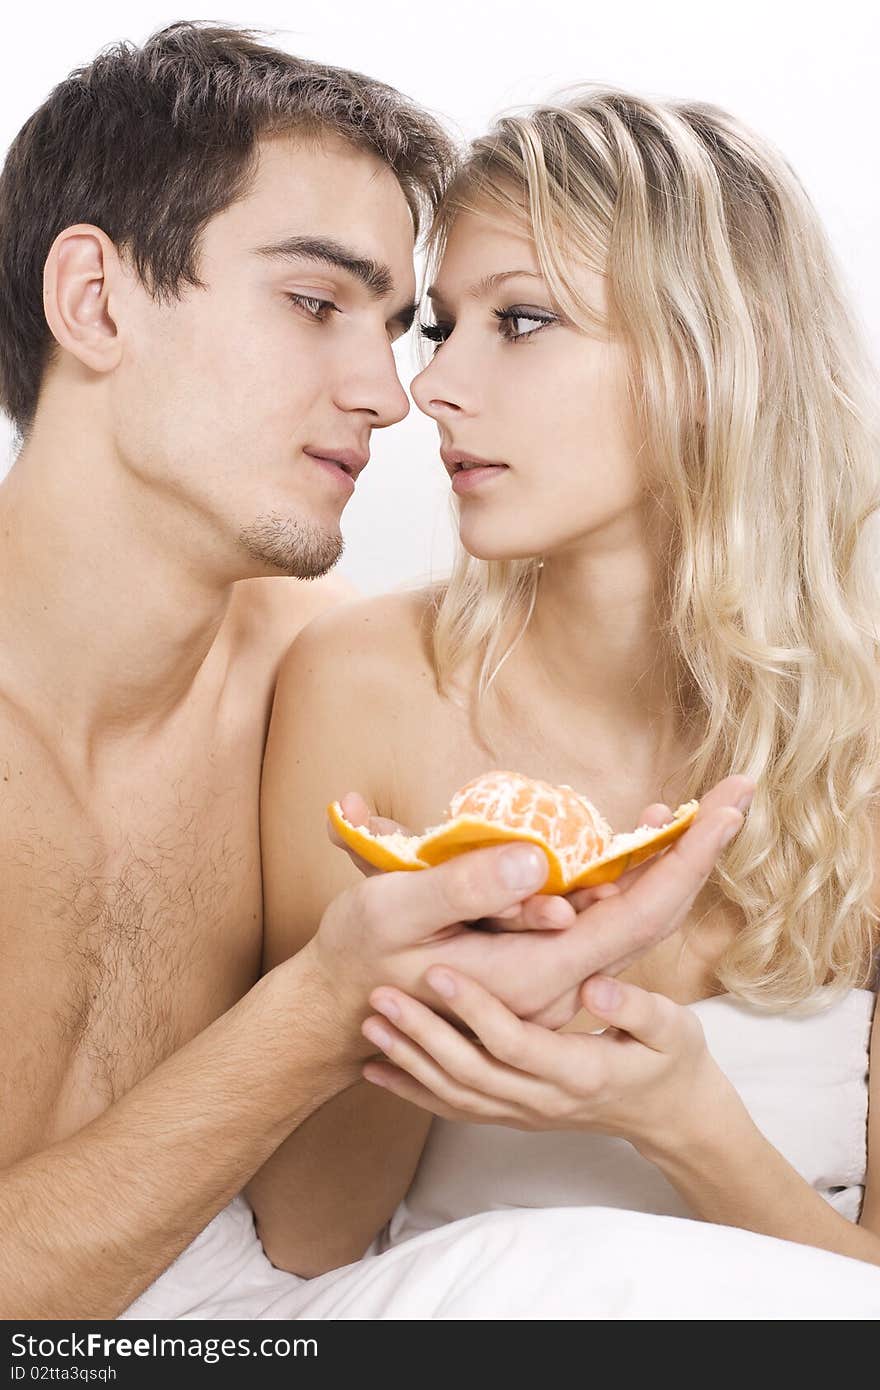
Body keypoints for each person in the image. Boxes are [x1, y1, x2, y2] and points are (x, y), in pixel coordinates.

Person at [0, 23, 751, 1321]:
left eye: (395, 324)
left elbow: (315, 1249)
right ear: (97, 299)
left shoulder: (340, 672)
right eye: (314, 303)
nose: (392, 395)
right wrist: (328, 1004)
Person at [252, 86, 880, 1285]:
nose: (430, 390)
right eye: (444, 326)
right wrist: (434, 971)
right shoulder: (365, 683)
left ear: (712, 356)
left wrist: (685, 1121)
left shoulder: (866, 750)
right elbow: (305, 1242)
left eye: (523, 321)